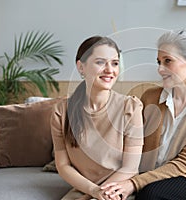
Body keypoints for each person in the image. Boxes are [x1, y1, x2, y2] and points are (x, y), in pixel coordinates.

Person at [101, 30, 186, 200]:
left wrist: (134, 184)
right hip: (151, 173)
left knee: (150, 194)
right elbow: (129, 140)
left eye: (168, 61)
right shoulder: (150, 97)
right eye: (159, 62)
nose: (160, 69)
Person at [51, 36, 144, 200]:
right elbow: (63, 165)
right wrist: (93, 192)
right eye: (101, 62)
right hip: (83, 189)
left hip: (118, 188)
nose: (110, 70)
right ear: (81, 67)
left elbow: (130, 168)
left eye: (115, 63)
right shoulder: (62, 111)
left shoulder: (131, 107)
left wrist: (101, 194)